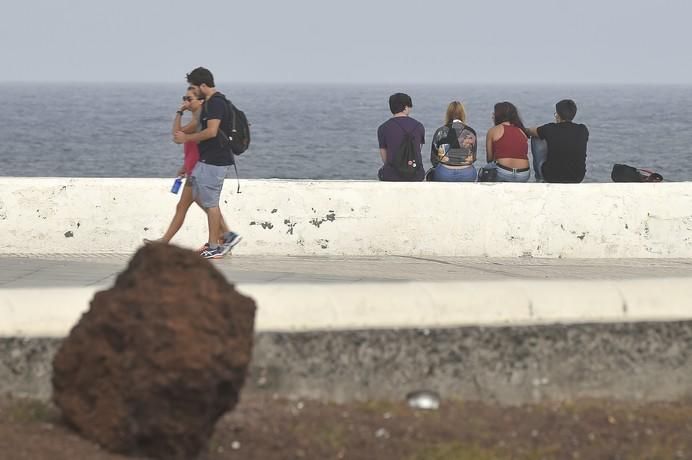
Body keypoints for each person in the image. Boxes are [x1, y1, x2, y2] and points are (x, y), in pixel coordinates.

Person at [146, 88, 231, 251]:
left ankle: (226, 236)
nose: (186, 102)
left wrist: (179, 111)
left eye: (189, 99)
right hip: (193, 169)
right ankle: (225, 236)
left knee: (207, 206)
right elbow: (191, 146)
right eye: (184, 98)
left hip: (198, 171)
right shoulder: (197, 119)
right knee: (187, 207)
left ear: (200, 101)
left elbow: (176, 134)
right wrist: (185, 166)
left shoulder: (198, 120)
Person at [173, 67, 241, 259]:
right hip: (207, 160)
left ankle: (215, 246)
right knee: (200, 197)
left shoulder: (215, 104)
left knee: (211, 204)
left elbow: (211, 132)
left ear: (203, 86)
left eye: (195, 88)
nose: (192, 92)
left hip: (215, 160)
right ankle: (225, 237)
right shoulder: (215, 103)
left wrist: (188, 138)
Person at [526, 99, 589, 183]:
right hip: (577, 177)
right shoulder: (583, 130)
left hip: (552, 176)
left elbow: (530, 131)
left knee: (536, 138)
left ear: (558, 115)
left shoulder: (550, 128)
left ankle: (539, 179)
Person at [377, 93, 426, 181]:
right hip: (416, 175)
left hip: (392, 175)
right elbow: (417, 150)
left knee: (382, 171)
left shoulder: (383, 128)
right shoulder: (419, 126)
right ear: (406, 107)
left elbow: (384, 157)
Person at [429, 101, 477, 182]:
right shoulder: (471, 131)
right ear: (463, 114)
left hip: (444, 173)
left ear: (448, 114)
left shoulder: (441, 131)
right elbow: (473, 157)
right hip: (467, 173)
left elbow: (434, 158)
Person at [485, 102, 530, 182]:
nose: (493, 115)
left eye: (494, 113)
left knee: (484, 171)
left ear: (498, 115)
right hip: (524, 174)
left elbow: (489, 159)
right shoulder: (521, 131)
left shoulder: (493, 131)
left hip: (503, 172)